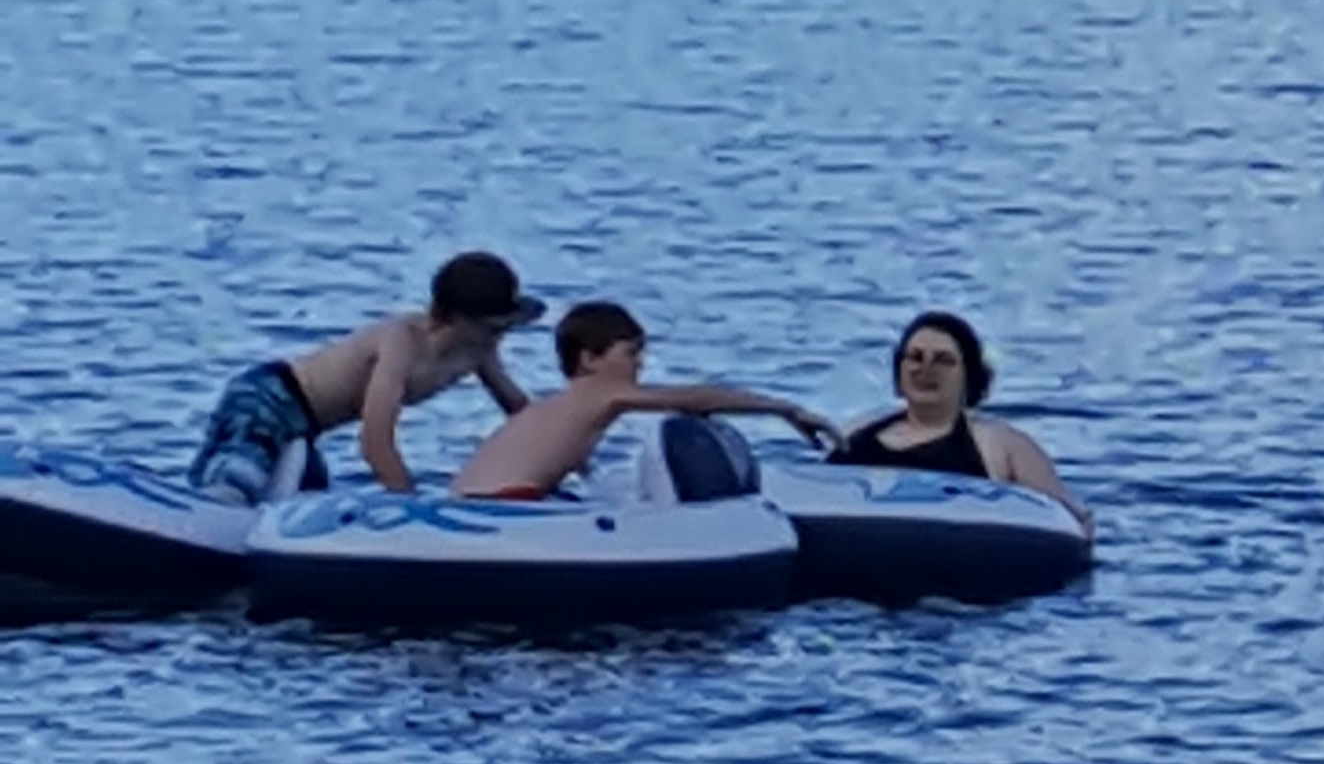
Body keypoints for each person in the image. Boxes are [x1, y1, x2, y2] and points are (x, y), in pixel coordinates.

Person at [190, 251, 548, 505]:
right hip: (268, 399)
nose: (498, 336)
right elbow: (375, 441)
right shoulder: (401, 342)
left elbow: (521, 411)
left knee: (303, 502)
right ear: (453, 318)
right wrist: (411, 508)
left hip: (306, 429)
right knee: (238, 483)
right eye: (489, 326)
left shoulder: (477, 351)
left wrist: (578, 464)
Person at [455, 301, 836, 499]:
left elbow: (557, 456)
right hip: (508, 501)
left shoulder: (560, 405)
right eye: (631, 353)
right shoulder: (604, 393)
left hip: (471, 494)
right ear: (589, 359)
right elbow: (698, 398)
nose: (640, 363)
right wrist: (783, 409)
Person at [838, 309, 1091, 530]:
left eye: (943, 360)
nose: (925, 370)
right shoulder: (857, 431)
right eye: (915, 357)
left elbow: (1071, 521)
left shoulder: (1003, 446)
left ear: (969, 377)